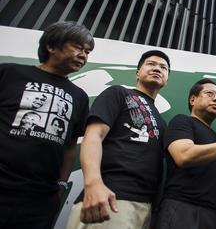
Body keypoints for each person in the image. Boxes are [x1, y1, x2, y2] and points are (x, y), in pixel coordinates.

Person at [0, 21, 93, 228]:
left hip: (41, 198)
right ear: (51, 46)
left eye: (87, 52)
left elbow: (70, 146)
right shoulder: (9, 73)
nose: (84, 55)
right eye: (78, 47)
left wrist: (61, 184)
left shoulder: (80, 96)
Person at [67, 50, 171, 229]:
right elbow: (93, 136)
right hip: (109, 197)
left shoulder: (162, 122)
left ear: (167, 79)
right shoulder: (118, 93)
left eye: (163, 67)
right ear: (137, 73)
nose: (157, 69)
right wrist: (93, 183)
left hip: (145, 207)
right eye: (151, 64)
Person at [156, 78, 216, 229]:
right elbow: (184, 155)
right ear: (193, 99)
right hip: (184, 209)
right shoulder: (182, 121)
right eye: (209, 94)